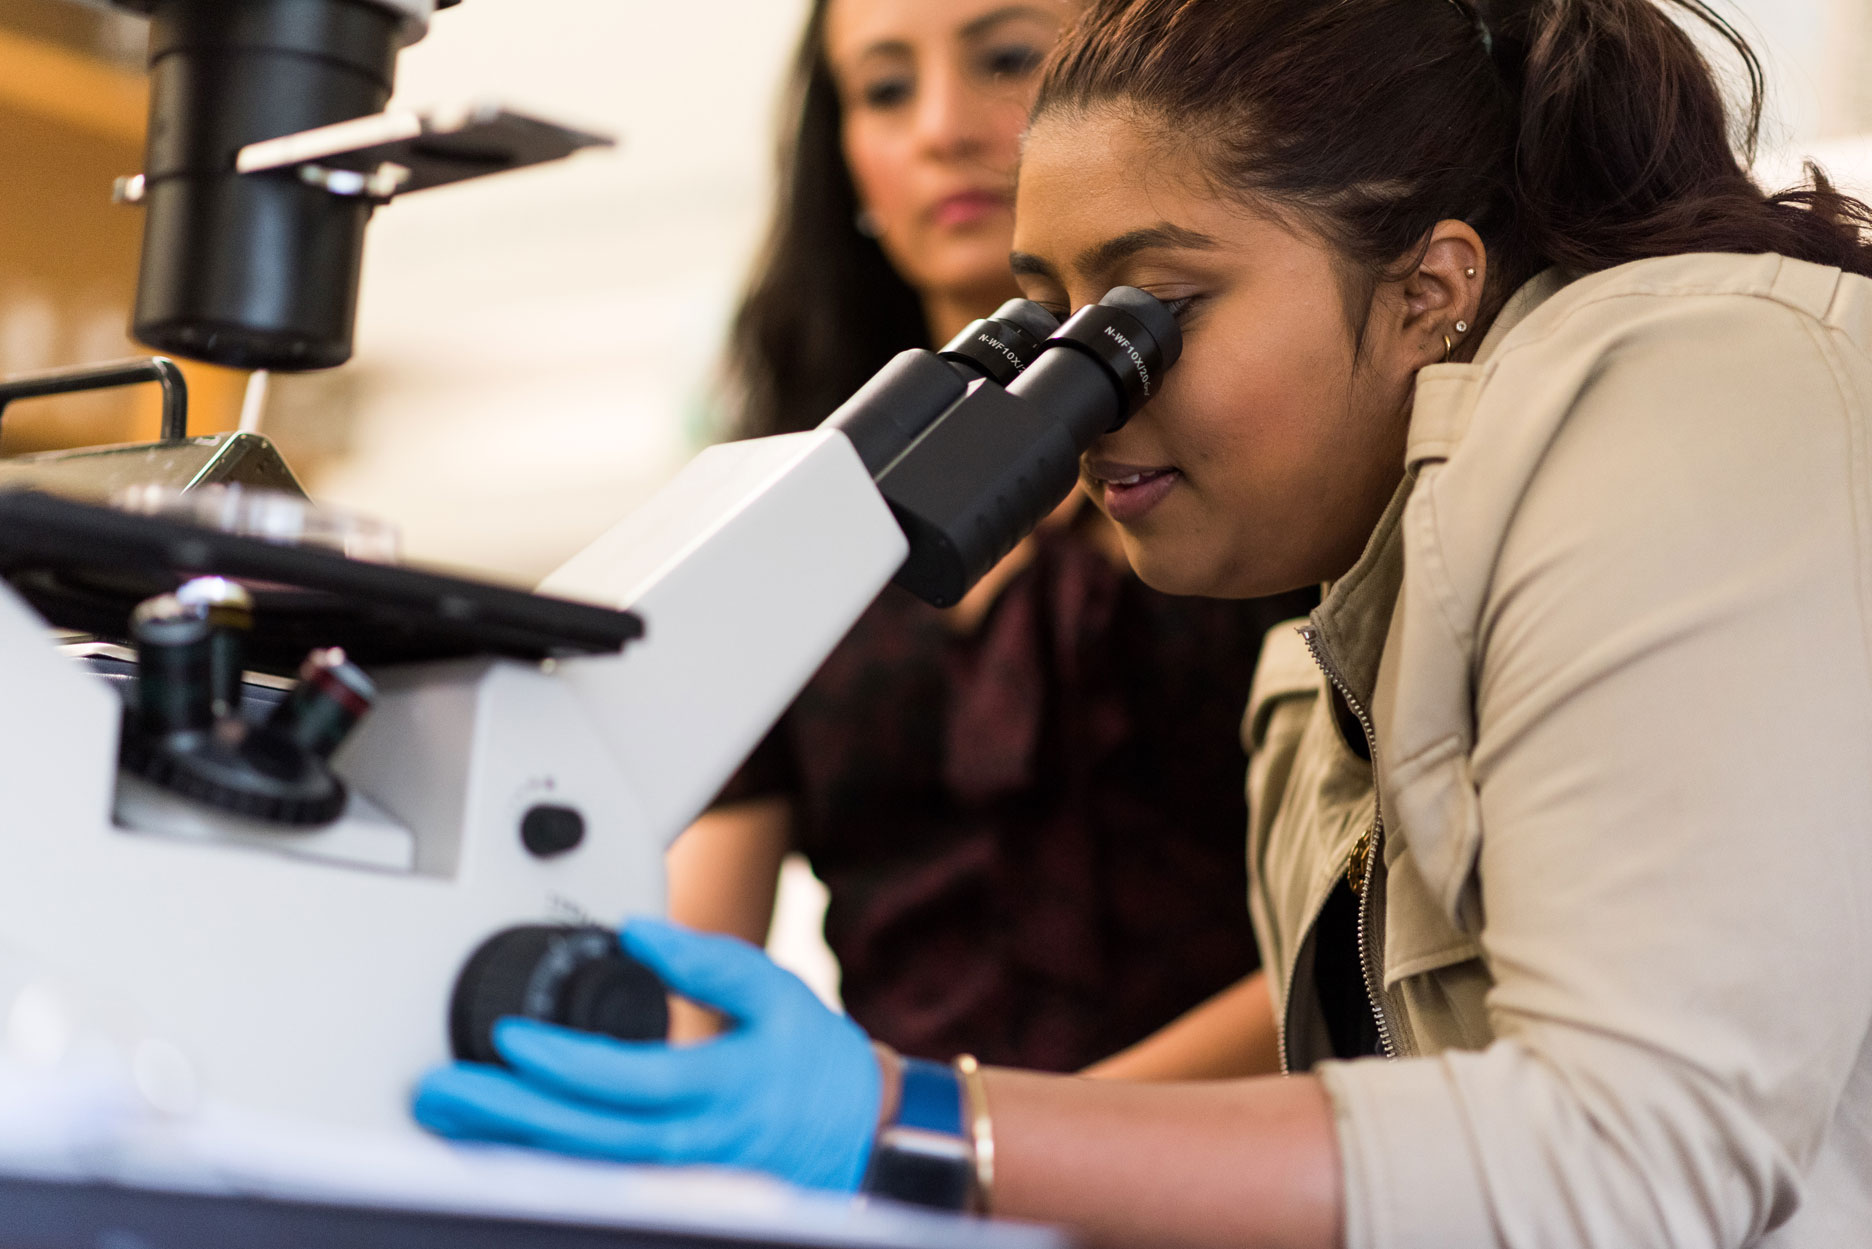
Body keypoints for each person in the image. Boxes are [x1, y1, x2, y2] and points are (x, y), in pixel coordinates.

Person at [413, 1, 1872, 1245]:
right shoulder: (1319, 665)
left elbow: (1636, 1154)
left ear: (1432, 287)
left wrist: (914, 1125)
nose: (1085, 397)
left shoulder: (1689, 380)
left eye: (1148, 313)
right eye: (1041, 321)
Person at [666, 0, 1312, 1076]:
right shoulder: (792, 519)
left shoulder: (1276, 466)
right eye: (883, 88)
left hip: (1246, 1178)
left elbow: (1370, 929)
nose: (941, 127)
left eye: (1006, 59)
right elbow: (696, 972)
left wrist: (1002, 1152)